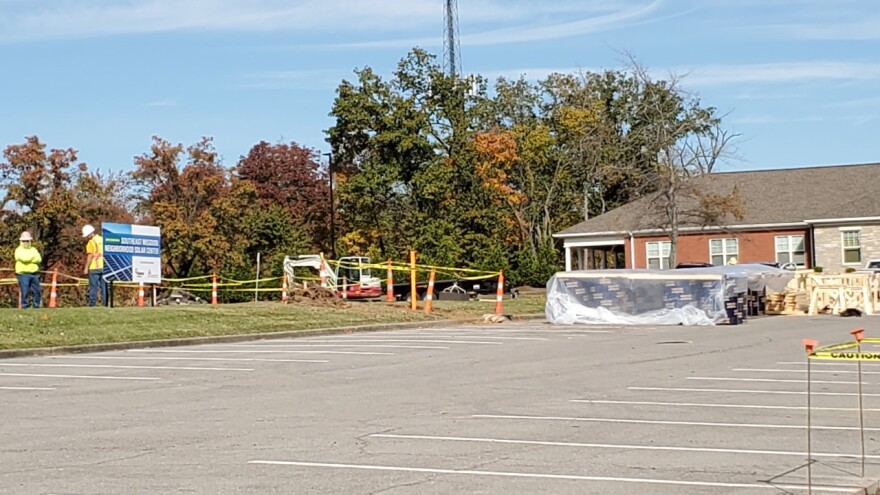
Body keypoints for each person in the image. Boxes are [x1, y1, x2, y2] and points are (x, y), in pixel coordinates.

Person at [14, 231, 42, 309]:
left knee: (37, 291)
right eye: (24, 240)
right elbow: (24, 258)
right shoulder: (18, 250)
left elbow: (39, 259)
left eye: (27, 240)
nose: (25, 242)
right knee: (25, 291)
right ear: (21, 241)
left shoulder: (34, 249)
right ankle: (24, 306)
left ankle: (36, 305)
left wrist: (30, 259)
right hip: (23, 274)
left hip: (34, 274)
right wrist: (32, 259)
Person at [82, 224, 106, 307]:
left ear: (90, 234)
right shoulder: (102, 240)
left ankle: (92, 304)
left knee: (93, 287)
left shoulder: (91, 243)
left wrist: (86, 268)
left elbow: (90, 255)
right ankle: (105, 303)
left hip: (94, 267)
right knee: (104, 287)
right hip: (104, 266)